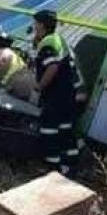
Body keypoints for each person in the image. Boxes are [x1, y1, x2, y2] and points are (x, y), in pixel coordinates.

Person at [31, 10, 78, 173]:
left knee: (49, 130)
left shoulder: (48, 42)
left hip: (55, 95)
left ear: (41, 25)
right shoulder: (60, 40)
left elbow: (52, 66)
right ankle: (69, 166)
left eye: (35, 23)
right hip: (69, 93)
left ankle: (51, 167)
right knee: (65, 130)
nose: (34, 26)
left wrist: (39, 86)